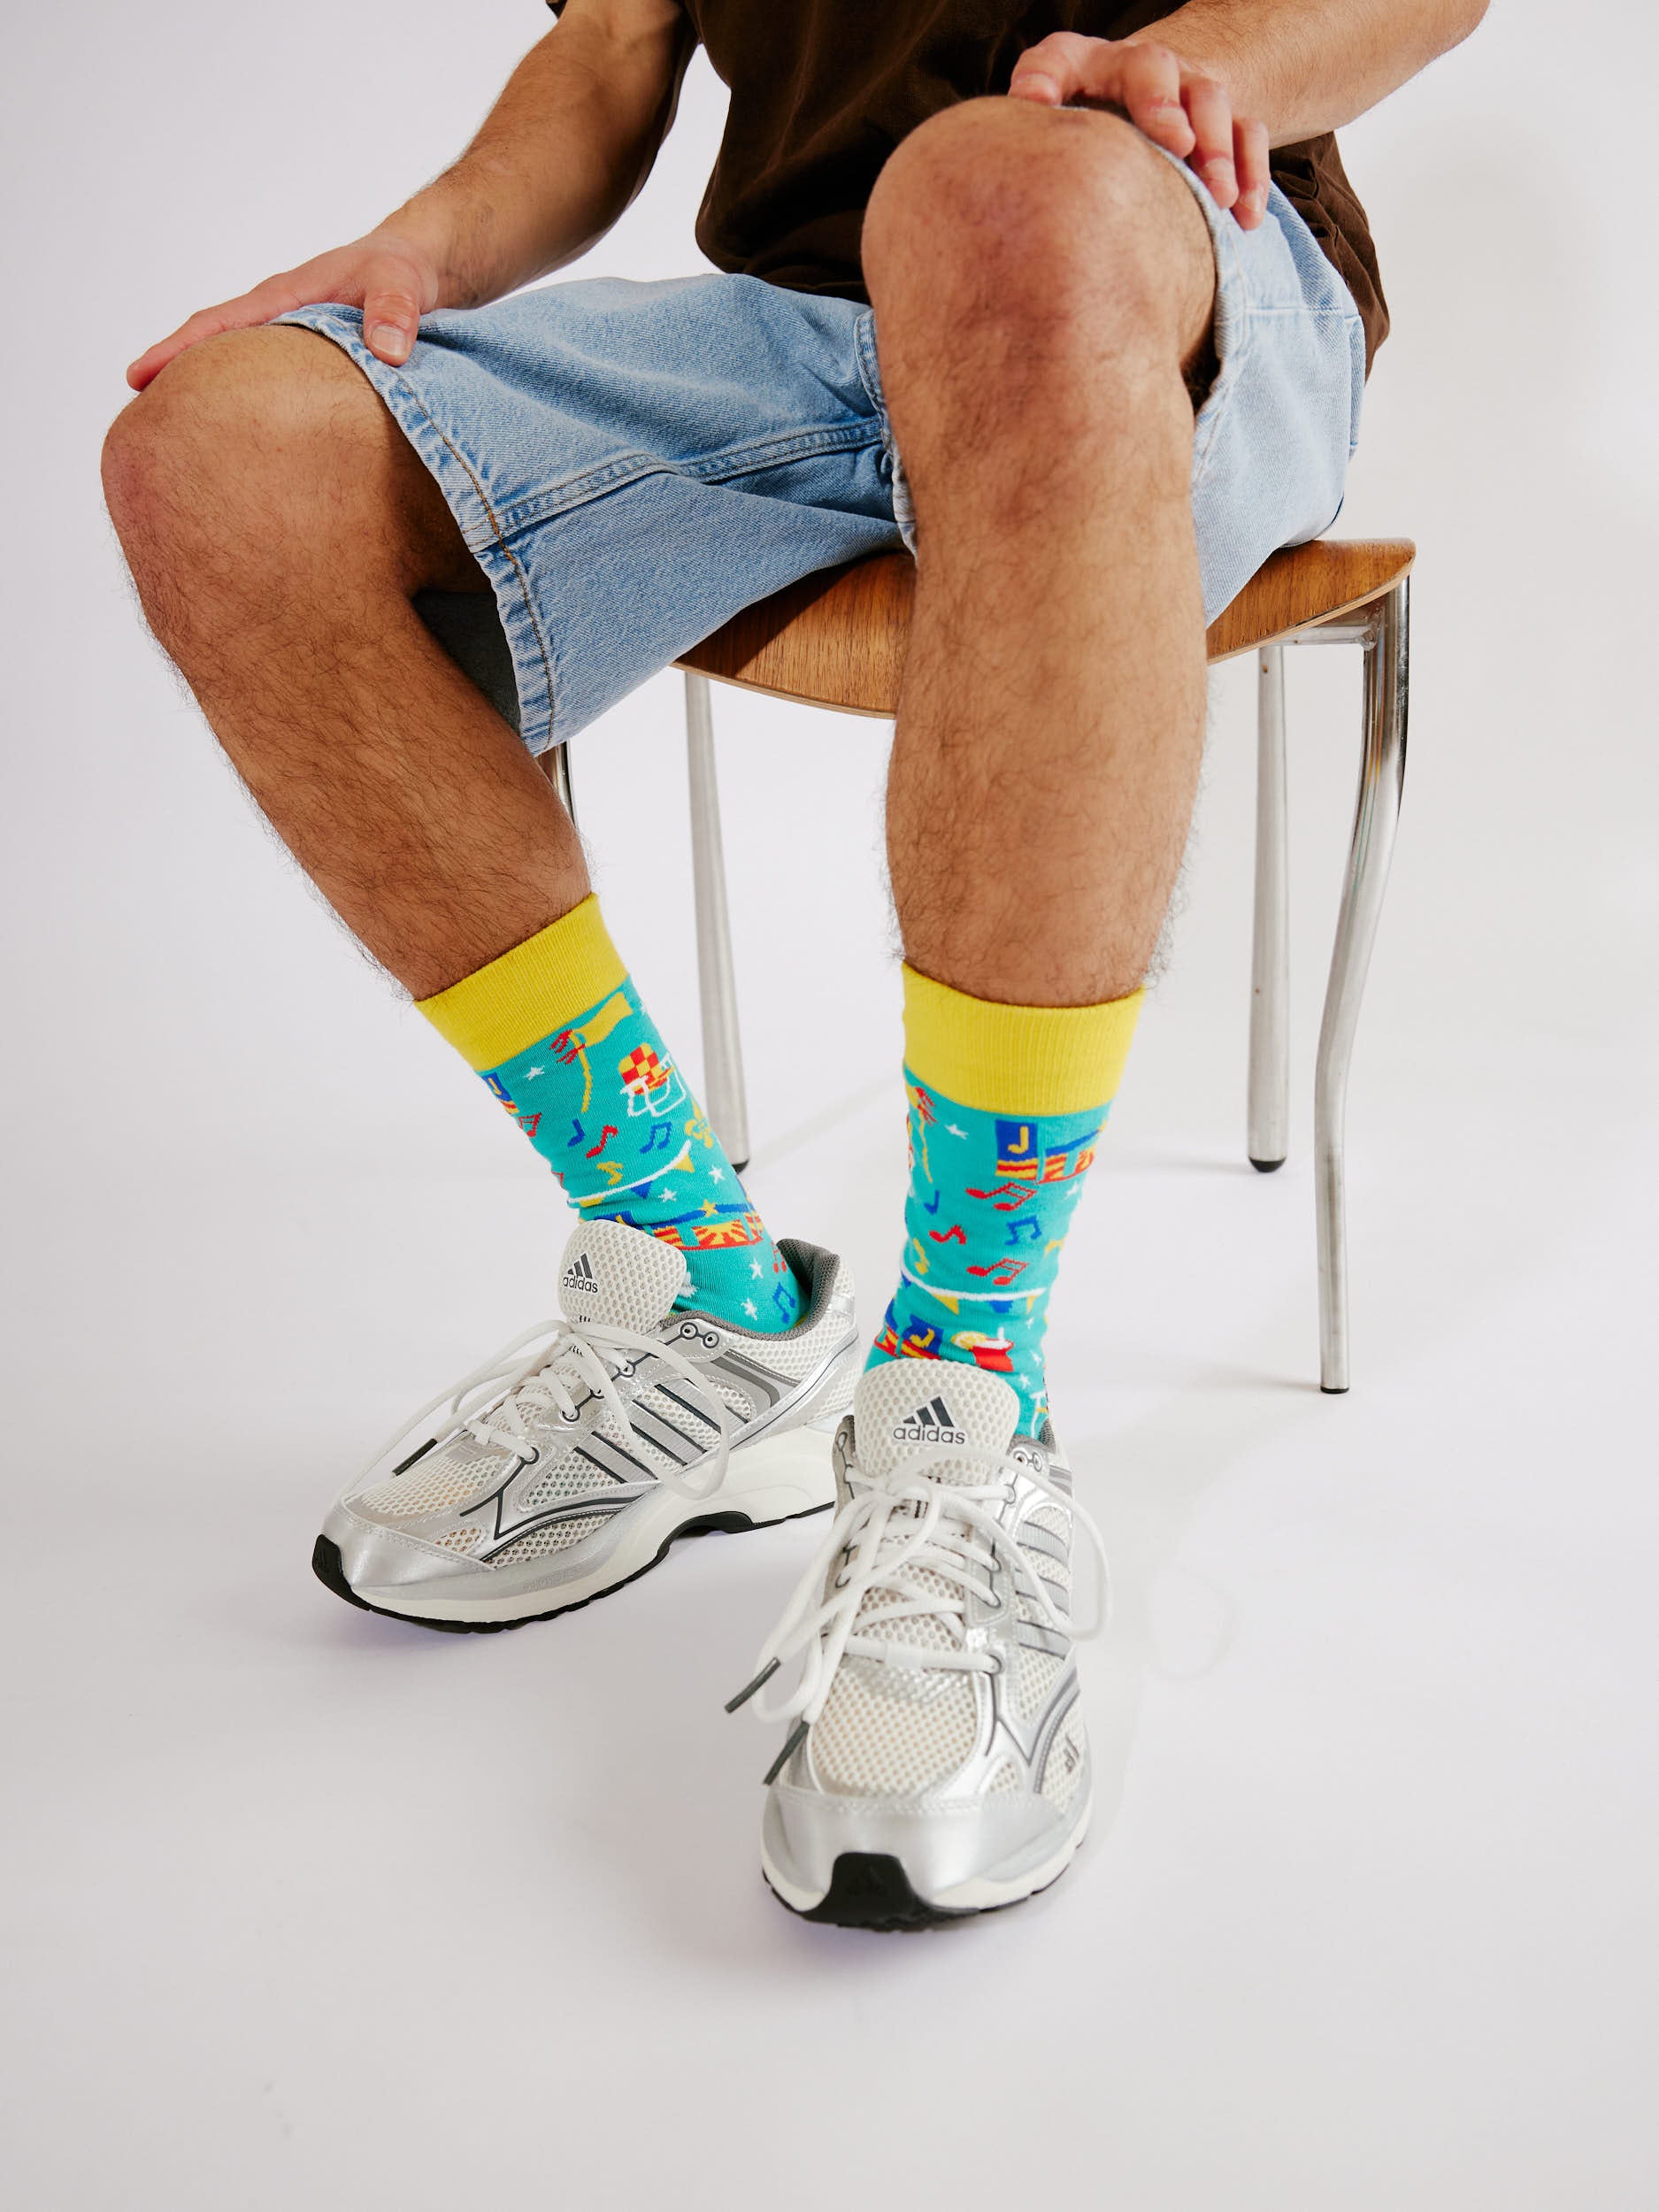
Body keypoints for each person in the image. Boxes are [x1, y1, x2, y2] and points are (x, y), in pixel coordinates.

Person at [102, 0, 1484, 1929]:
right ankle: (703, 1290)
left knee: (994, 192)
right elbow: (614, 42)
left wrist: (1217, 67)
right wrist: (428, 243)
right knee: (219, 450)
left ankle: (960, 1403)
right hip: (793, 334)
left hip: (1157, 274)